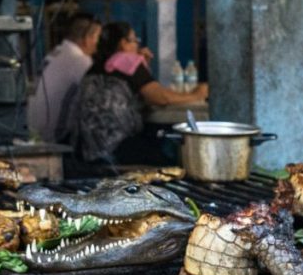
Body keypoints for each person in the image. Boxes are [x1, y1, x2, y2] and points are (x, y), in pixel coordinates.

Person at [75, 21, 207, 168]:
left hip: (88, 149)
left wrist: (144, 66)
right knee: (171, 162)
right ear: (123, 43)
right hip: (117, 146)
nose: (137, 45)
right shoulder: (127, 59)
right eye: (134, 40)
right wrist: (197, 95)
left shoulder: (97, 65)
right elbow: (160, 97)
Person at [28, 12, 101, 143]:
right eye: (98, 38)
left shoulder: (55, 53)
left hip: (33, 133)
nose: (99, 44)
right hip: (55, 138)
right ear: (86, 38)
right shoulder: (81, 61)